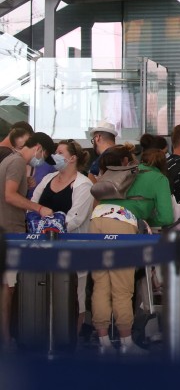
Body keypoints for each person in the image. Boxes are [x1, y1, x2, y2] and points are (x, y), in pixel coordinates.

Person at [90, 144, 173, 355]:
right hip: (121, 224)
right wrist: (145, 219)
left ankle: (104, 343)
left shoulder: (120, 172)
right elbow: (166, 218)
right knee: (122, 285)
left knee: (100, 283)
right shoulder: (158, 179)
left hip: (97, 218)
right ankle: (126, 343)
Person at [31, 139, 94, 334]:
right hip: (44, 248)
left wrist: (49, 222)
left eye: (59, 152)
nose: (54, 156)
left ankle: (72, 339)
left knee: (76, 296)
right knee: (47, 293)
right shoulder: (48, 179)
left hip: (73, 248)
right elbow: (33, 204)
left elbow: (75, 219)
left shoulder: (83, 184)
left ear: (72, 158)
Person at [1, 132, 56, 349]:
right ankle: (5, 340)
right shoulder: (16, 162)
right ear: (38, 148)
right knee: (7, 288)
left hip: (9, 231)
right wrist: (39, 208)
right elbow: (9, 195)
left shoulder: (11, 160)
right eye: (45, 154)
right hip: (9, 233)